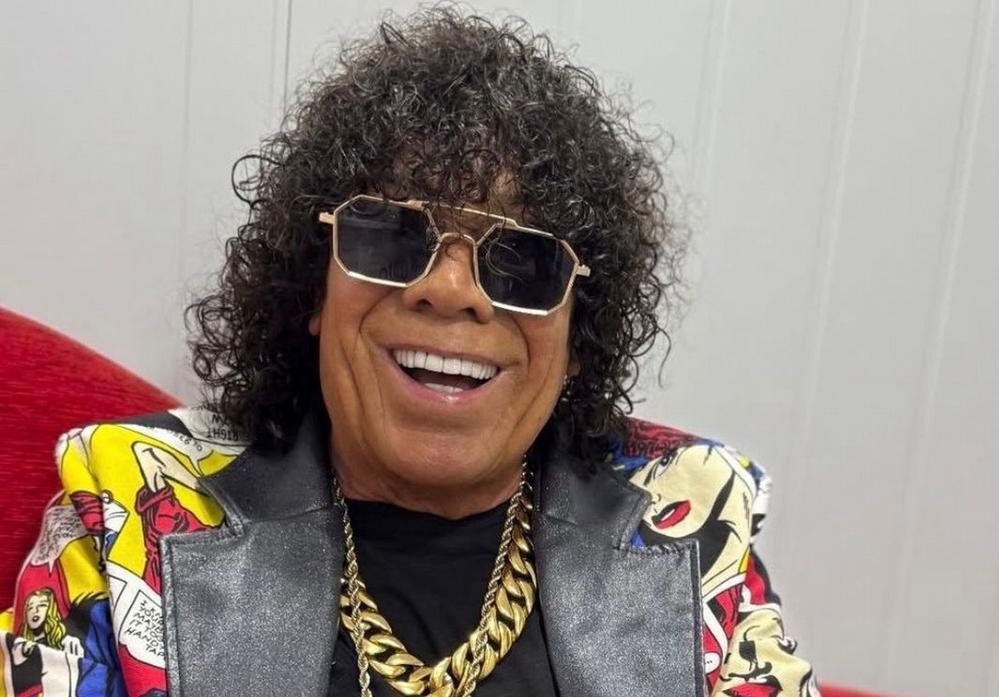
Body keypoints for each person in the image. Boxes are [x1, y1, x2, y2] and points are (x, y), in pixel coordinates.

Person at [0, 8, 819, 697]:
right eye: (392, 235)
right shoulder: (131, 505)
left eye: (520, 261)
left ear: (577, 337)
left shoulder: (692, 522)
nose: (452, 290)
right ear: (313, 289)